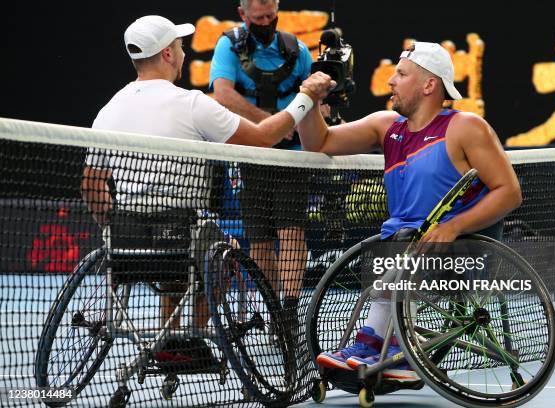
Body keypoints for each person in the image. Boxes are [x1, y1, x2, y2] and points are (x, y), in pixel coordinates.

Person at [81, 15, 332, 362]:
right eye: (181, 46)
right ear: (168, 53)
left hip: (127, 244)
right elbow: (263, 138)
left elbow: (91, 184)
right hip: (184, 236)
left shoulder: (108, 111)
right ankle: (191, 339)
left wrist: (114, 229)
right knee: (220, 249)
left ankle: (170, 337)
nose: (183, 52)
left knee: (179, 250)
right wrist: (305, 98)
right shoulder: (193, 104)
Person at [298, 42, 522, 382]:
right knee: (394, 262)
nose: (391, 81)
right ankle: (387, 350)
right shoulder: (386, 126)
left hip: (462, 253)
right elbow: (319, 142)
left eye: (401, 74)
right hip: (404, 249)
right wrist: (310, 101)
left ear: (429, 85)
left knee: (397, 269)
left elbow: (509, 192)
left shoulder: (466, 127)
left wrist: (454, 226)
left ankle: (383, 348)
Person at [209, 0, 312, 323]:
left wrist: (310, 117)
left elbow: (316, 97)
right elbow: (223, 94)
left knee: (292, 232)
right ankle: (270, 309)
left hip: (293, 157)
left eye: (271, 16)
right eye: (258, 18)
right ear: (243, 15)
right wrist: (270, 124)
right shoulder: (227, 44)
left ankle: (289, 313)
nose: (265, 22)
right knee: (261, 239)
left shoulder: (298, 49)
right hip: (249, 154)